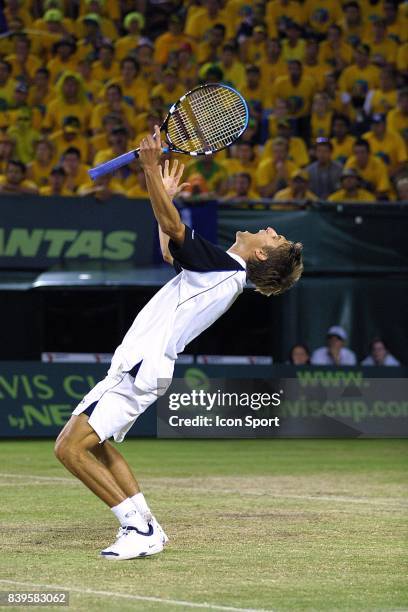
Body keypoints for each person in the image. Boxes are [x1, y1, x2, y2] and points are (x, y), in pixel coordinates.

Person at [54, 128, 304, 561]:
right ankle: (147, 527)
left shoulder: (225, 270)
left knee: (68, 448)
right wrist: (161, 198)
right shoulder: (222, 270)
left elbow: (174, 226)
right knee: (95, 444)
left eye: (274, 238)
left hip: (140, 367)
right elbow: (171, 250)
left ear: (261, 256)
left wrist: (150, 169)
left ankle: (138, 526)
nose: (269, 229)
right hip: (140, 366)